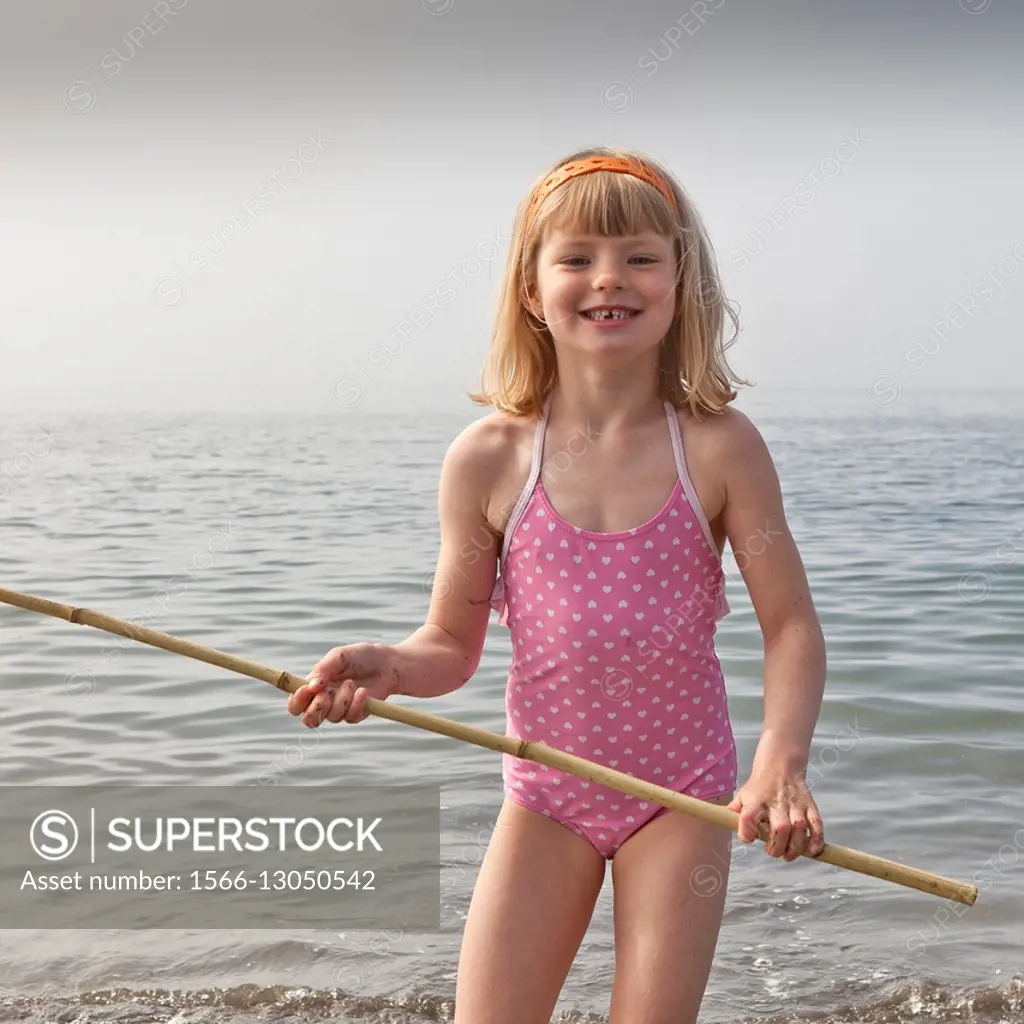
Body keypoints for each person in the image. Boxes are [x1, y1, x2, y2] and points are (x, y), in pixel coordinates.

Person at [287, 147, 828, 1024]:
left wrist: (779, 766)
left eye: (640, 257)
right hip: (546, 794)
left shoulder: (721, 447)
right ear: (532, 290)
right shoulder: (488, 459)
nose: (608, 277)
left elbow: (791, 627)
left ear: (679, 280)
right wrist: (388, 664)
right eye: (576, 257)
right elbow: (450, 646)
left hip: (682, 798)